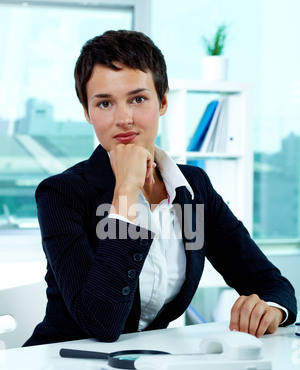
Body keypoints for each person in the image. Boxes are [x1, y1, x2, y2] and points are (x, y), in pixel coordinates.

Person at [24, 30, 297, 347]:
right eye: (104, 104)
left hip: (150, 369)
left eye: (138, 99)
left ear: (163, 101)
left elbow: (268, 281)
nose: (124, 119)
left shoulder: (192, 190)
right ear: (87, 113)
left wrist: (270, 309)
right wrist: (125, 190)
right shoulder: (62, 194)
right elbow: (100, 323)